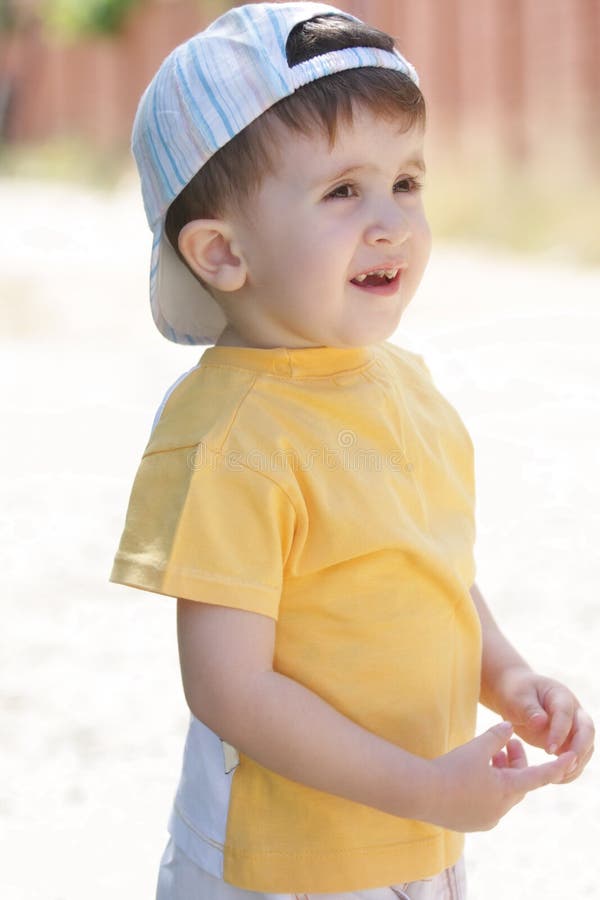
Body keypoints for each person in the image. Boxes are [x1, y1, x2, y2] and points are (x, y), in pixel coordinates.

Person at [109, 4, 594, 898]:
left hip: (416, 834)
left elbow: (427, 567)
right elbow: (230, 690)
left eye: (408, 181)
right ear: (222, 252)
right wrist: (426, 788)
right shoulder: (231, 434)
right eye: (343, 191)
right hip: (287, 861)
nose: (393, 221)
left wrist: (509, 673)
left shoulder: (403, 386)